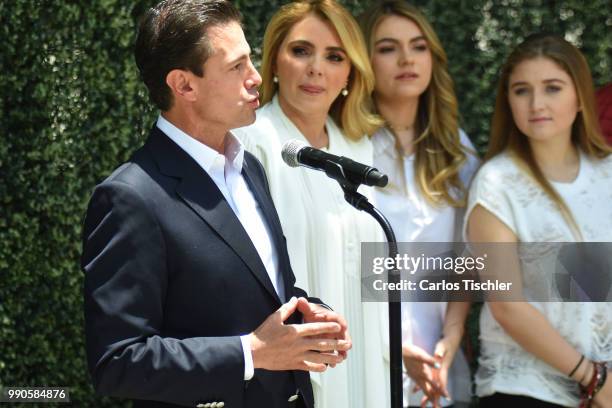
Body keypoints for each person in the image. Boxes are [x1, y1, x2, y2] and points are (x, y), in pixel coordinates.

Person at [81, 1, 352, 407]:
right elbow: (118, 361)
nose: (256, 78)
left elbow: (262, 290)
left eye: (252, 61)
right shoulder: (129, 197)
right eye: (236, 67)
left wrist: (309, 316)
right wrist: (251, 353)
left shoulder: (250, 168)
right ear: (184, 85)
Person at [233, 1, 388, 407]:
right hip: (291, 370)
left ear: (350, 73)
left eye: (334, 56)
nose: (316, 67)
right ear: (274, 62)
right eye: (301, 51)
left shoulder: (358, 146)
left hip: (366, 359)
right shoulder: (252, 141)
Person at [464, 33, 612, 407]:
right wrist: (592, 378)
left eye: (552, 88)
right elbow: (507, 307)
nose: (536, 104)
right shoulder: (496, 184)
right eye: (521, 90)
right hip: (527, 389)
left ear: (580, 97)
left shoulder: (607, 171)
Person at [359, 2, 478, 407]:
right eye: (388, 48)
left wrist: (453, 334)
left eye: (419, 46)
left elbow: (465, 259)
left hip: (438, 369)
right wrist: (392, 348)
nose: (407, 58)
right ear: (365, 59)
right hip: (363, 360)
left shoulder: (456, 150)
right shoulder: (345, 145)